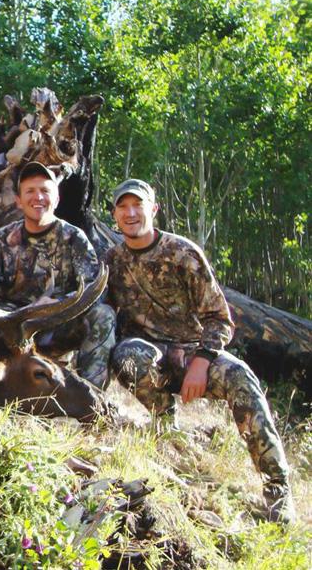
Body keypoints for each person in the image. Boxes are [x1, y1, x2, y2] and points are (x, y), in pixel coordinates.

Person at [105, 178, 295, 522]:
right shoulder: (112, 261)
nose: (131, 213)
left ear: (154, 209)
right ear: (115, 214)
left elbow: (219, 318)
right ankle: (165, 427)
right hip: (149, 356)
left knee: (242, 379)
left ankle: (277, 490)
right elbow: (100, 318)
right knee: (126, 356)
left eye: (138, 205)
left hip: (194, 352)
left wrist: (202, 362)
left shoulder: (182, 252)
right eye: (123, 207)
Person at [0, 161, 116, 389]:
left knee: (102, 315)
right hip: (9, 328)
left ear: (56, 199)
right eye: (30, 191)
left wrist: (55, 304)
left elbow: (95, 290)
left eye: (45, 191)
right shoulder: (0, 239)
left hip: (55, 326)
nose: (38, 197)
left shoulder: (74, 238)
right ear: (18, 200)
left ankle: (90, 397)